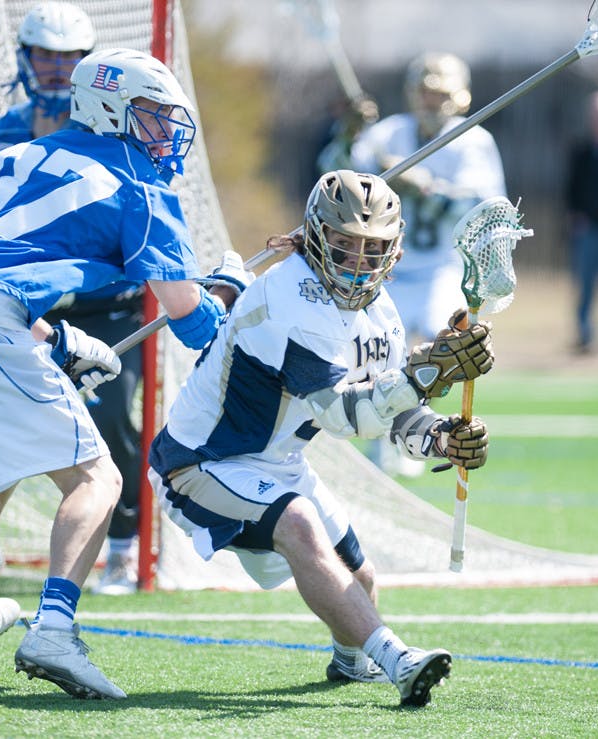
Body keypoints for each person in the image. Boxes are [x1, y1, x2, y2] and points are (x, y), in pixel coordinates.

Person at [0, 47, 251, 700]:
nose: (163, 135)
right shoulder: (137, 179)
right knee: (97, 478)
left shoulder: (20, 153)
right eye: (152, 118)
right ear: (112, 111)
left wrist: (57, 343)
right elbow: (192, 323)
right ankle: (54, 627)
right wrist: (227, 290)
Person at [148, 170, 494, 707]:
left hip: (277, 462)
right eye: (344, 244)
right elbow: (343, 416)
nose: (358, 261)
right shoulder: (286, 297)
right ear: (315, 236)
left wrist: (442, 437)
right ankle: (397, 659)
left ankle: (353, 661)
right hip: (201, 462)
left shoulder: (381, 314)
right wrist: (423, 376)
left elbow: (397, 417)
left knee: (362, 577)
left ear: (393, 250)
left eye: (371, 248)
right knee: (300, 524)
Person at [0, 2, 144, 594]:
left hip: (103, 301)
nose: (58, 68)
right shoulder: (8, 131)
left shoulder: (111, 129)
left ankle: (123, 546)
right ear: (25, 57)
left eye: (70, 57)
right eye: (46, 54)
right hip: (25, 306)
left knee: (109, 412)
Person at [348, 51, 505, 477]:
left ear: (458, 97)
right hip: (389, 266)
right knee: (380, 349)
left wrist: (427, 188)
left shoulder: (473, 141)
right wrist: (348, 142)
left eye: (439, 94)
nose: (431, 102)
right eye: (424, 92)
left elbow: (484, 206)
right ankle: (390, 432)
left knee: (436, 345)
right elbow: (345, 174)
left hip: (442, 265)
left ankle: (409, 431)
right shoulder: (388, 134)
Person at [565, 88, 598, 353]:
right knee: (585, 285)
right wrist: (576, 216)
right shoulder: (581, 151)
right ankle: (585, 335)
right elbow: (571, 188)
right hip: (588, 230)